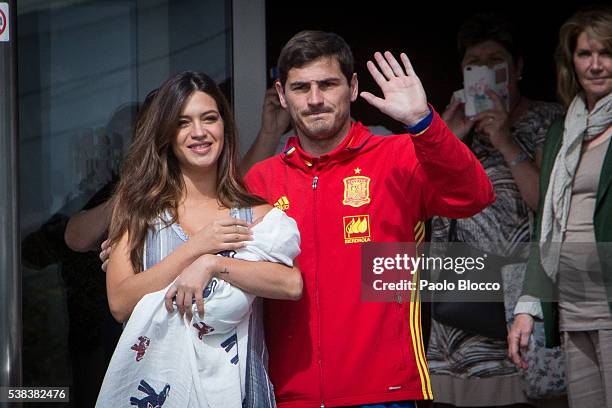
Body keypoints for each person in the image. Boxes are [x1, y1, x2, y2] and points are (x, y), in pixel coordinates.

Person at [244, 30, 495, 407]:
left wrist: (422, 122)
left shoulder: (398, 156)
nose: (315, 100)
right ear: (281, 95)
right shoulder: (260, 179)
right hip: (288, 395)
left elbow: (474, 197)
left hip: (385, 391)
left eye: (328, 84)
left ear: (353, 86)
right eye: (300, 88)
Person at [104, 71, 303, 406]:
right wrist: (196, 248)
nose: (199, 132)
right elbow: (121, 302)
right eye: (183, 122)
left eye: (209, 118)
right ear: (167, 135)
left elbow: (291, 285)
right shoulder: (138, 211)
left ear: (223, 126)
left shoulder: (253, 214)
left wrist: (213, 263)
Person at [426, 13, 566, 407]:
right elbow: (419, 203)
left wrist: (504, 139)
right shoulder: (449, 126)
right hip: (459, 292)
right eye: (474, 64)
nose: (484, 72)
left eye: (495, 62)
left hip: (518, 294)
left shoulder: (547, 120)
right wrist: (448, 140)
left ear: (517, 68)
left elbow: (548, 202)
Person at [509, 6, 612, 408]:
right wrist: (526, 309)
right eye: (585, 54)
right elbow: (547, 227)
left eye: (607, 52)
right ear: (571, 62)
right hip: (571, 306)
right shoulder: (562, 132)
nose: (596, 64)